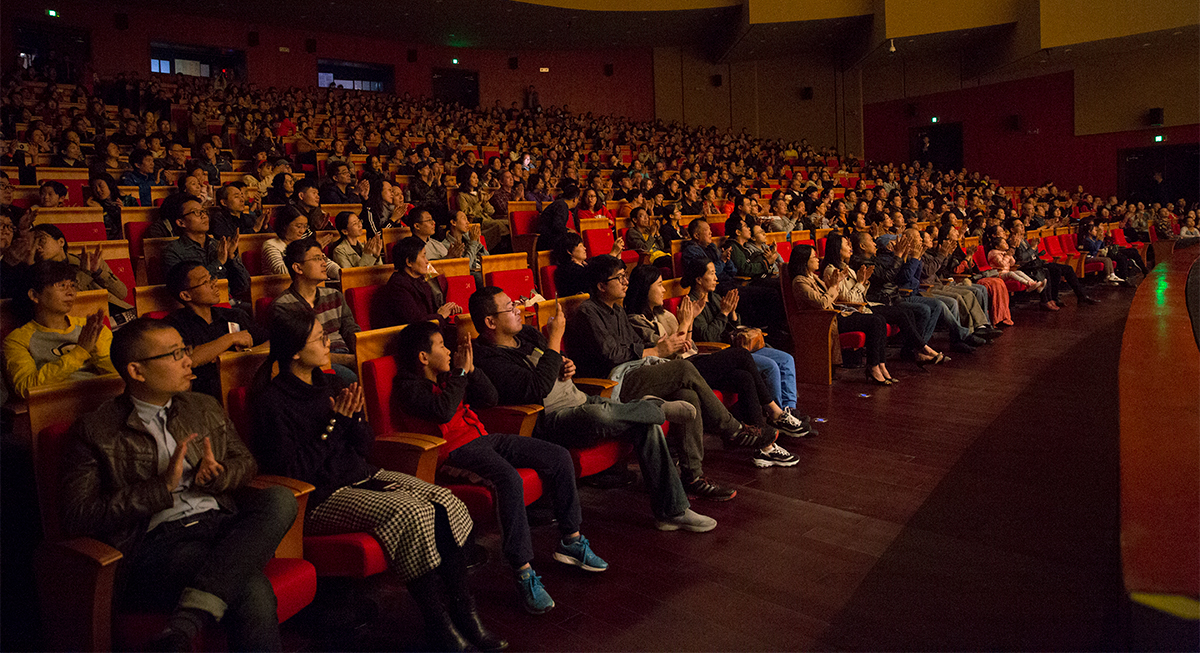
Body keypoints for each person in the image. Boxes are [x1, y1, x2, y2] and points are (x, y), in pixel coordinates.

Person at [251, 308, 504, 652]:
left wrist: (353, 419)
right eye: (320, 339)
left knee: (446, 502)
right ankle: (438, 624)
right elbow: (293, 471)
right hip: (320, 496)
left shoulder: (332, 382)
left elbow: (365, 445)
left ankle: (465, 613)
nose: (328, 343)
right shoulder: (273, 401)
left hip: (359, 474)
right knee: (412, 513)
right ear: (295, 351)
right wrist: (335, 424)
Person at [58, 317, 297, 652]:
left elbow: (246, 463)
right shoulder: (94, 430)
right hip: (159, 544)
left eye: (185, 349)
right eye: (174, 354)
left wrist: (217, 476)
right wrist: (161, 487)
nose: (189, 359)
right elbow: (79, 515)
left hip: (220, 524)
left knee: (280, 498)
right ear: (137, 371)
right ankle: (188, 623)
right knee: (251, 589)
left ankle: (183, 625)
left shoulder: (203, 406)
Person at [394, 320, 609, 615]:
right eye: (441, 346)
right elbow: (442, 410)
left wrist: (471, 371)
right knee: (509, 479)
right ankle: (523, 572)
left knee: (558, 456)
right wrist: (458, 373)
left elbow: (490, 398)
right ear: (422, 357)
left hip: (485, 437)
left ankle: (572, 540)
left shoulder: (449, 375)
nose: (448, 351)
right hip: (454, 454)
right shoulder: (407, 387)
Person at [471, 285, 717, 532]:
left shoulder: (526, 335)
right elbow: (536, 388)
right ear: (491, 322)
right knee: (601, 413)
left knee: (644, 424)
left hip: (579, 398)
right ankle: (655, 408)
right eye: (510, 307)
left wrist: (566, 364)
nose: (518, 309)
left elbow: (555, 361)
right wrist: (555, 339)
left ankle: (672, 511)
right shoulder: (488, 359)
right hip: (551, 420)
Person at [565, 255, 775, 501]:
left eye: (625, 276)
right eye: (619, 278)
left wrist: (656, 349)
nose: (625, 282)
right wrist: (656, 350)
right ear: (601, 286)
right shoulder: (588, 312)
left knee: (687, 396)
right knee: (684, 370)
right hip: (613, 383)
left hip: (635, 370)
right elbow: (611, 356)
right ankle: (732, 428)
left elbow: (633, 345)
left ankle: (693, 476)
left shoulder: (617, 310)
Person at [625, 265, 810, 463]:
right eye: (660, 285)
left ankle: (765, 447)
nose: (663, 290)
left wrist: (693, 323)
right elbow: (670, 351)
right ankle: (776, 413)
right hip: (676, 371)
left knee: (744, 377)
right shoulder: (636, 320)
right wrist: (688, 322)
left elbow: (687, 345)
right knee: (741, 355)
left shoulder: (666, 315)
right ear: (645, 288)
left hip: (691, 359)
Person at [3, 260, 117, 398]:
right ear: (34, 295)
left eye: (73, 285)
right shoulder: (17, 340)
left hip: (103, 399)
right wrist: (80, 351)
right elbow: (26, 388)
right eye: (62, 286)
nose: (71, 293)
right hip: (56, 408)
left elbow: (118, 376)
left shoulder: (90, 328)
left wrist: (96, 347)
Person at [789, 244, 898, 385]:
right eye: (814, 257)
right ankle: (873, 366)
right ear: (804, 261)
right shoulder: (799, 281)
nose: (818, 260)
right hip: (824, 321)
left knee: (879, 319)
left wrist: (838, 283)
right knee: (875, 322)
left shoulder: (813, 278)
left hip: (834, 315)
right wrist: (834, 286)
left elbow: (830, 297)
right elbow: (822, 303)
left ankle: (880, 364)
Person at [164, 261, 265, 399]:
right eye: (205, 282)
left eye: (211, 278)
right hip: (205, 397)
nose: (214, 284)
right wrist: (230, 339)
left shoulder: (234, 315)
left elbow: (272, 341)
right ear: (186, 296)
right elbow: (190, 359)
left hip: (248, 383)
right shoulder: (174, 325)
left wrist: (245, 354)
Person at [268, 237, 360, 381]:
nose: (324, 263)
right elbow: (300, 352)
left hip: (346, 354)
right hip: (313, 363)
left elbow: (350, 330)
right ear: (298, 268)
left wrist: (362, 353)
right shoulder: (283, 305)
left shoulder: (334, 295)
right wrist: (349, 360)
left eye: (323, 258)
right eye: (317, 259)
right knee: (351, 380)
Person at [31, 223, 133, 319]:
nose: (37, 246)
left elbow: (122, 293)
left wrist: (97, 272)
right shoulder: (40, 274)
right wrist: (85, 273)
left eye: (41, 240)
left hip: (118, 314)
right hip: (84, 322)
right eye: (33, 243)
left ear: (61, 242)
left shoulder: (89, 260)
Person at [161, 193, 250, 297]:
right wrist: (219, 262)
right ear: (181, 222)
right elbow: (186, 288)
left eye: (204, 211)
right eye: (196, 212)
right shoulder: (173, 251)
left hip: (227, 300)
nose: (204, 215)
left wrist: (232, 257)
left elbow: (244, 286)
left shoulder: (218, 245)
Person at [380, 236, 462, 328]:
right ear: (409, 262)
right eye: (423, 256)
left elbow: (431, 311)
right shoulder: (398, 286)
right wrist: (441, 315)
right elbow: (416, 321)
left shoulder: (420, 279)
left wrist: (447, 310)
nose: (427, 261)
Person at [263, 205, 340, 279]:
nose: (302, 231)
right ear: (284, 226)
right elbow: (284, 272)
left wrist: (342, 275)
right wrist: (309, 254)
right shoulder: (271, 245)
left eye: (305, 226)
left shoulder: (303, 243)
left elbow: (327, 264)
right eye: (298, 226)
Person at [457, 169, 508, 251]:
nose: (476, 180)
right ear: (467, 179)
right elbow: (466, 213)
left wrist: (485, 202)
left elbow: (491, 211)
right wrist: (480, 202)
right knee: (499, 225)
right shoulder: (462, 196)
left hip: (487, 218)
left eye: (477, 177)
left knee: (507, 222)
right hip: (478, 221)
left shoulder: (480, 192)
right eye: (473, 178)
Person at [624, 206, 672, 272]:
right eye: (642, 216)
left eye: (647, 215)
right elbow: (644, 249)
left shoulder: (648, 230)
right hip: (651, 258)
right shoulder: (632, 232)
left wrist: (657, 234)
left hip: (661, 254)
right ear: (635, 220)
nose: (646, 218)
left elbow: (661, 247)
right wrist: (652, 234)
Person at [535, 184, 581, 252]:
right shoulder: (561, 206)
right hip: (547, 240)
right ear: (575, 199)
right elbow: (557, 226)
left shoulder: (560, 204)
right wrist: (568, 231)